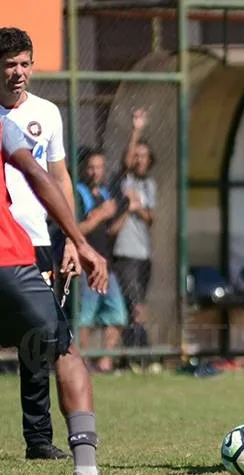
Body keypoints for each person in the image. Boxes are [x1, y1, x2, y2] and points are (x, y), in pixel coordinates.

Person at [0, 113, 107, 474]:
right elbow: (37, 174)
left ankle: (40, 440)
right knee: (64, 348)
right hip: (9, 260)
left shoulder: (41, 113)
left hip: (23, 254)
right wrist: (79, 241)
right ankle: (87, 468)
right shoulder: (2, 126)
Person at [0, 26, 79, 460]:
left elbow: (60, 177)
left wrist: (70, 238)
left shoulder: (47, 113)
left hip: (35, 242)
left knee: (39, 342)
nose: (18, 72)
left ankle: (38, 441)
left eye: (24, 63)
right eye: (9, 64)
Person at [110, 109, 156, 355]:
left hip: (143, 253)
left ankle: (137, 352)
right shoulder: (124, 180)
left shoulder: (149, 185)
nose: (139, 160)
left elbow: (151, 217)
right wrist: (136, 131)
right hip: (125, 252)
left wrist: (138, 208)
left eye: (144, 156)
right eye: (137, 155)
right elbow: (125, 163)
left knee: (139, 305)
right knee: (133, 305)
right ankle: (137, 353)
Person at [76, 148, 127, 372]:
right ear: (83, 169)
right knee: (84, 318)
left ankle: (105, 361)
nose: (95, 172)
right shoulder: (78, 193)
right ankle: (82, 362)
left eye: (99, 167)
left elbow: (111, 231)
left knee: (117, 315)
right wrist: (100, 215)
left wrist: (126, 211)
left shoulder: (105, 194)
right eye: (91, 167)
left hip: (106, 265)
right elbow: (75, 229)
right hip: (85, 265)